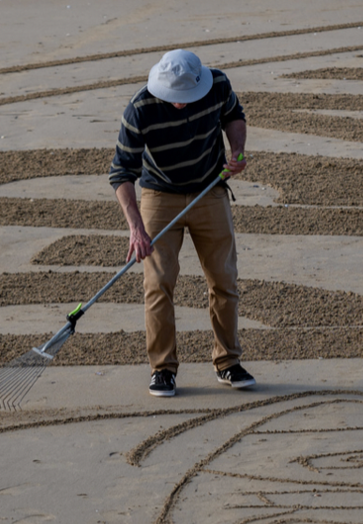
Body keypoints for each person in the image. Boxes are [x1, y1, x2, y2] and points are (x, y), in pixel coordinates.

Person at [109, 49, 255, 397]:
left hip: (210, 189)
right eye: (173, 99)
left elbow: (234, 116)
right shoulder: (140, 108)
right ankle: (163, 369)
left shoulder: (217, 84)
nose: (179, 104)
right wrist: (136, 227)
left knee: (224, 279)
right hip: (160, 196)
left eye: (185, 98)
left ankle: (228, 362)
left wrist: (237, 151)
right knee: (158, 283)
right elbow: (121, 174)